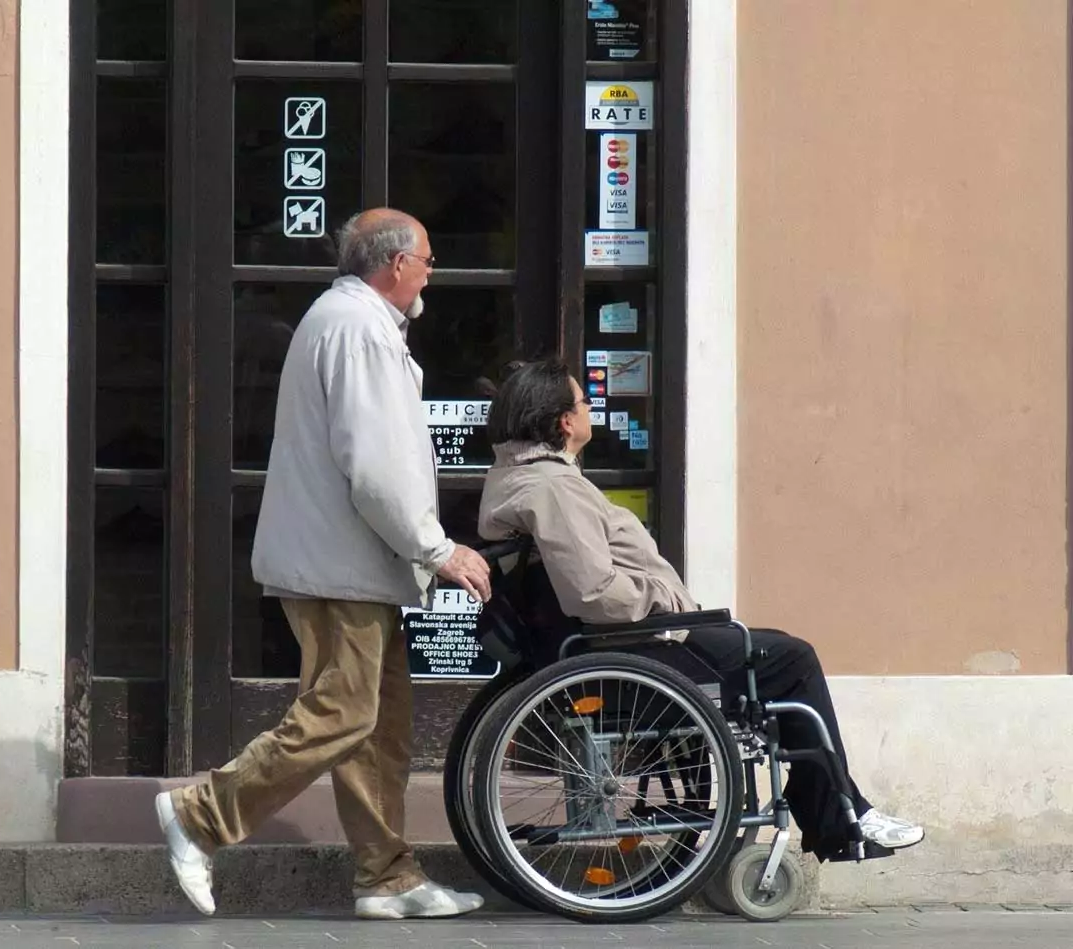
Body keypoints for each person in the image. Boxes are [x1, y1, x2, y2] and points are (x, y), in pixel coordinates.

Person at [155, 209, 492, 920]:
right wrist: (436, 547)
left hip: (350, 563)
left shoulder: (352, 322)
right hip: (340, 565)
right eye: (427, 259)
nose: (432, 271)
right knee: (342, 714)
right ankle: (199, 814)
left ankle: (386, 876)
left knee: (378, 725)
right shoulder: (359, 329)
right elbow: (376, 465)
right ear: (394, 263)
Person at [476, 357, 925, 861]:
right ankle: (838, 810)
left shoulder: (521, 479)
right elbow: (594, 594)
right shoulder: (554, 488)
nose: (589, 408)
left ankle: (832, 803)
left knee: (773, 651)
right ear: (563, 421)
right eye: (584, 401)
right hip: (635, 646)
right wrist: (666, 601)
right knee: (791, 660)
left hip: (622, 644)